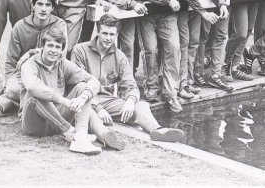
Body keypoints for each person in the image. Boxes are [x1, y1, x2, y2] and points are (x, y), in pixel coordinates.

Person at [71, 14, 186, 143]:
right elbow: (77, 85)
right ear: (98, 32)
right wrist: (98, 108)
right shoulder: (80, 50)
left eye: (112, 34)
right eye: (105, 33)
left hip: (108, 101)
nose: (108, 38)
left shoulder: (119, 56)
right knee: (89, 112)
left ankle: (158, 131)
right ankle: (106, 137)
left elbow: (130, 85)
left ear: (116, 35)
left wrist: (130, 101)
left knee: (141, 105)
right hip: (84, 100)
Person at [20, 28, 112, 155]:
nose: (53, 50)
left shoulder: (63, 63)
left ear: (61, 50)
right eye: (50, 45)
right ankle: (71, 132)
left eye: (57, 47)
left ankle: (80, 136)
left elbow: (93, 81)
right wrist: (64, 101)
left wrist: (82, 98)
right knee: (34, 94)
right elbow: (32, 87)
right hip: (35, 124)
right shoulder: (29, 64)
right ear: (42, 47)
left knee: (82, 87)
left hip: (56, 119)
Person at [0, 0, 67, 114]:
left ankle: (23, 103)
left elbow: (60, 56)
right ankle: (33, 103)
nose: (43, 9)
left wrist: (30, 53)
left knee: (53, 91)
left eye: (48, 5)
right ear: (33, 5)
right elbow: (11, 60)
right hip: (25, 73)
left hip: (50, 73)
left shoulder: (59, 24)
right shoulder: (20, 26)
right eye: (40, 4)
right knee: (12, 90)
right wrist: (7, 84)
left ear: (52, 8)